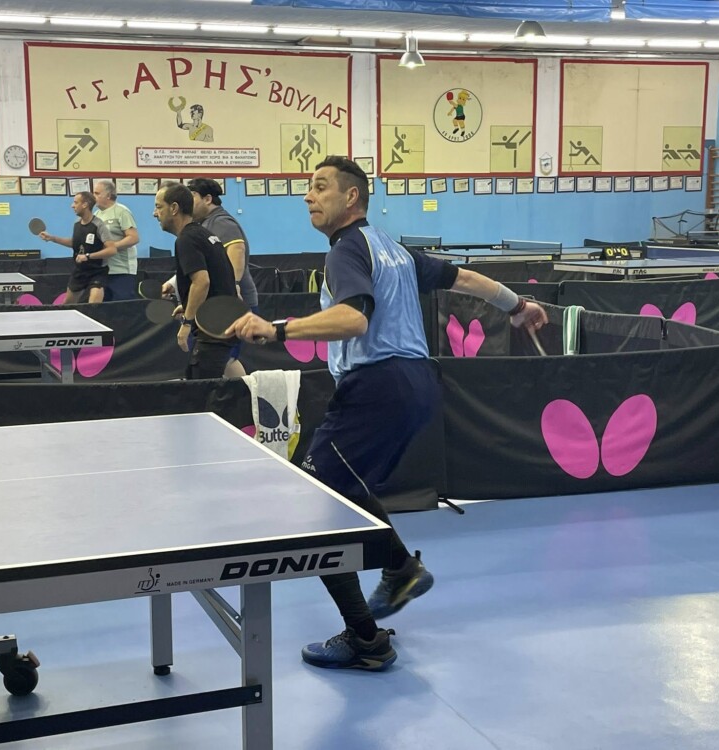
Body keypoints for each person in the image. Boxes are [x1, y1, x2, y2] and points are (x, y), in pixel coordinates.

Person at [228, 156, 548, 671]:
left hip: (377, 386)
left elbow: (354, 319)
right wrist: (517, 305)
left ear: (351, 197)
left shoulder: (345, 250)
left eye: (320, 187)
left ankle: (366, 639)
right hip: (417, 385)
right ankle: (399, 568)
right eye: (309, 188)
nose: (308, 196)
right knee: (345, 492)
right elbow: (465, 279)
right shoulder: (393, 249)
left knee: (320, 506)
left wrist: (278, 329)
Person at [152, 183, 239, 379]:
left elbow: (202, 282)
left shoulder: (186, 240)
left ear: (174, 208)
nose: (154, 213)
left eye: (158, 207)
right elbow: (219, 280)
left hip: (213, 330)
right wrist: (189, 305)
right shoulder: (204, 234)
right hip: (222, 324)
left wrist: (187, 323)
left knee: (202, 389)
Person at [189, 177, 259, 378]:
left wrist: (233, 287)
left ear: (207, 199)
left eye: (192, 197)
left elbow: (237, 250)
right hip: (221, 302)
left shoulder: (221, 222)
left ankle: (245, 395)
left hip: (233, 301)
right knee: (223, 359)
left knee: (225, 358)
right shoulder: (204, 224)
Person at [39, 191, 117, 304]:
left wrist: (88, 256)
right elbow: (75, 243)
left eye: (75, 202)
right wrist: (52, 238)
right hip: (80, 271)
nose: (72, 205)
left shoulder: (99, 225)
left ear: (85, 205)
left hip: (97, 271)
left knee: (94, 305)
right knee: (68, 305)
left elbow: (112, 250)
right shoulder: (77, 224)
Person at [93, 179, 140, 301]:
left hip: (122, 270)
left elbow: (133, 237)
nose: (93, 196)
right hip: (104, 270)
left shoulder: (121, 211)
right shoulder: (96, 215)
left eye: (97, 193)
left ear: (108, 195)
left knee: (122, 308)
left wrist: (111, 247)